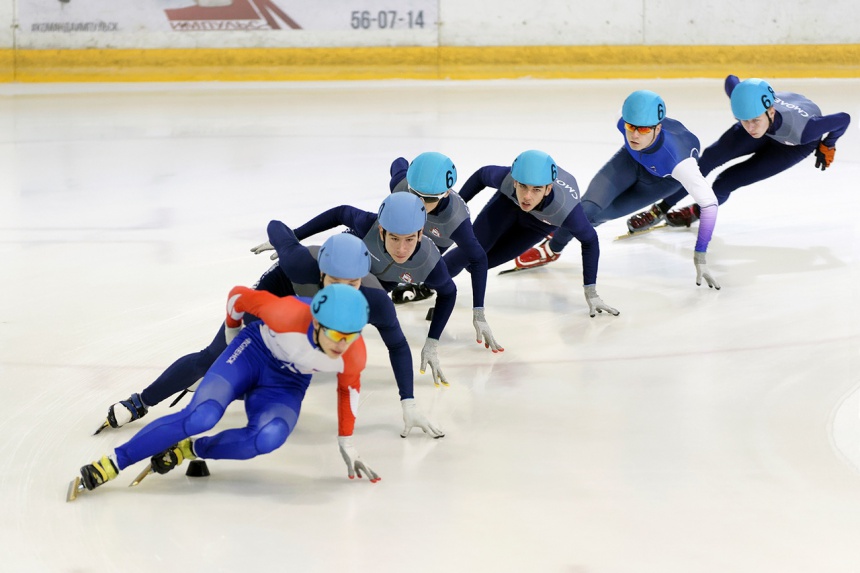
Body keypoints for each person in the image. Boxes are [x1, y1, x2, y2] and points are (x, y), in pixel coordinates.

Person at [98, 232, 442, 439]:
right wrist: (287, 239)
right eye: (334, 282)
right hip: (278, 295)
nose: (344, 290)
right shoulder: (297, 264)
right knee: (212, 356)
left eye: (352, 284)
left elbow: (396, 344)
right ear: (320, 271)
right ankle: (140, 402)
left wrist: (408, 401)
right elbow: (277, 229)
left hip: (310, 319)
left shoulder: (375, 301)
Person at [75, 284, 380, 495]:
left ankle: (189, 450)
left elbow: (348, 392)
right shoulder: (284, 313)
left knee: (268, 438)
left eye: (351, 336)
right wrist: (232, 332)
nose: (343, 344)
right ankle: (113, 463)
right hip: (251, 353)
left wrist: (346, 442)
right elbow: (238, 297)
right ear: (316, 323)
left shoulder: (353, 353)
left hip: (286, 384)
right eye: (337, 334)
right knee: (201, 417)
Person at [515, 90, 721, 289]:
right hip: (631, 160)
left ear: (658, 129)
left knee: (594, 217)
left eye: (644, 129)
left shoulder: (680, 162)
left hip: (661, 180)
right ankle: (554, 246)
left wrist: (700, 254)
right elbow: (632, 126)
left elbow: (710, 204)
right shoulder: (623, 122)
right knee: (587, 207)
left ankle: (554, 244)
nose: (634, 134)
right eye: (631, 126)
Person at [263, 192, 467, 386]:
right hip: (332, 272)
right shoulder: (368, 224)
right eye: (394, 238)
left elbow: (449, 293)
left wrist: (432, 341)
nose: (401, 249)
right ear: (381, 230)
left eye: (409, 239)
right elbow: (340, 212)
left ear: (420, 235)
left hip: (364, 289)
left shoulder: (429, 262)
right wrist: (295, 236)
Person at [625, 75, 851, 230]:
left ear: (770, 112)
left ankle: (696, 211)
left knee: (727, 181)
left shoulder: (806, 129)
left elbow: (843, 119)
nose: (750, 128)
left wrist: (828, 144)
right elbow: (732, 79)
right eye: (743, 121)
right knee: (705, 162)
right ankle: (660, 209)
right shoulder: (749, 113)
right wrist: (747, 114)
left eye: (754, 121)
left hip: (793, 144)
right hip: (771, 124)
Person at [443, 149, 620, 317]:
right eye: (523, 187)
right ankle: (426, 279)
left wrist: (591, 291)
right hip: (508, 204)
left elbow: (590, 241)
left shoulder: (567, 211)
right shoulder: (506, 178)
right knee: (472, 253)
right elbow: (481, 175)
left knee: (475, 266)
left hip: (538, 225)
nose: (527, 196)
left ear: (548, 189)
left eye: (536, 189)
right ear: (514, 181)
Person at [387, 152, 502, 352]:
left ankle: (419, 284)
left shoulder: (456, 221)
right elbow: (398, 163)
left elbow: (478, 259)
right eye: (415, 194)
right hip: (412, 231)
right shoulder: (401, 186)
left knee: (424, 268)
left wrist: (479, 313)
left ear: (446, 193)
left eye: (429, 198)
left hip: (437, 237)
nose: (419, 204)